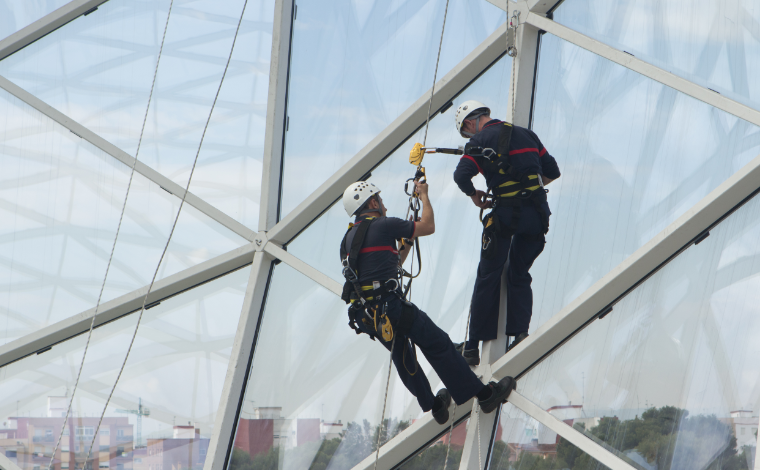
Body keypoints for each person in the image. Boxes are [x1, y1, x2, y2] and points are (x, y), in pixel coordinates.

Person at [339, 180, 516, 425]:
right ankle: (485, 395)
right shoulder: (384, 225)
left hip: (370, 316)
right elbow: (428, 226)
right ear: (372, 202)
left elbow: (390, 265)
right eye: (380, 199)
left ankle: (435, 407)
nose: (384, 205)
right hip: (393, 308)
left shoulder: (348, 239)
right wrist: (424, 197)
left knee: (403, 358)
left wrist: (407, 241)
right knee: (439, 345)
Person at [452, 100, 561, 366]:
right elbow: (552, 171)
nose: (469, 137)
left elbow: (461, 175)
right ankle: (520, 334)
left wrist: (474, 194)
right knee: (519, 273)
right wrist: (528, 188)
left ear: (469, 123)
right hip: (536, 216)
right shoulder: (527, 134)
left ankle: (472, 346)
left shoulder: (478, 142)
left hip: (506, 217)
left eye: (467, 133)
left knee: (488, 276)